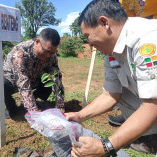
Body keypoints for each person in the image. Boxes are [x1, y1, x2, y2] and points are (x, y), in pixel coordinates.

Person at [65, 0, 157, 156]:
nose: (90, 44)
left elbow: (153, 105)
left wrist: (105, 146)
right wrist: (79, 116)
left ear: (104, 22)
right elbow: (111, 94)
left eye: (88, 36)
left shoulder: (146, 39)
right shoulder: (111, 53)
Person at [0, 28, 65, 118]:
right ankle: (12, 108)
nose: (48, 56)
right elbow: (23, 83)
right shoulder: (21, 53)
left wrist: (60, 106)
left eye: (52, 52)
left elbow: (57, 78)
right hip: (12, 79)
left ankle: (32, 100)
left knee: (50, 80)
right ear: (37, 41)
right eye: (46, 51)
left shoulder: (51, 55)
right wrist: (34, 112)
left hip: (33, 78)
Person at [108, 0, 157, 127]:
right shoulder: (122, 1)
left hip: (150, 36)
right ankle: (134, 115)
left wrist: (107, 146)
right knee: (127, 80)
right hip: (133, 39)